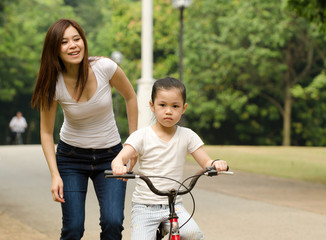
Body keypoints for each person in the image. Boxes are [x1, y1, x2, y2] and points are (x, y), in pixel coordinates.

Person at [30, 19, 138, 240]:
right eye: (64, 42)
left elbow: (130, 97)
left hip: (111, 156)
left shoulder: (105, 67)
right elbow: (46, 132)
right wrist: (55, 175)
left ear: (83, 41)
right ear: (55, 49)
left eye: (76, 39)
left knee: (112, 223)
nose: (73, 45)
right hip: (71, 159)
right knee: (73, 229)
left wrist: (131, 145)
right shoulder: (54, 84)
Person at [112, 77, 228, 240]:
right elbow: (119, 158)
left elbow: (206, 162)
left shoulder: (187, 136)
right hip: (144, 207)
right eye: (162, 105)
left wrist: (216, 164)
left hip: (174, 205)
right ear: (152, 106)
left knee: (194, 235)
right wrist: (119, 166)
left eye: (175, 106)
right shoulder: (142, 136)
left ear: (184, 108)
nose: (168, 111)